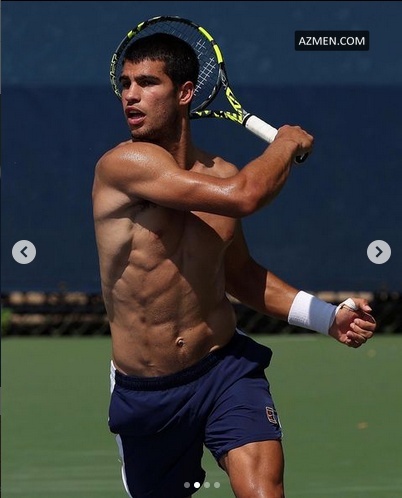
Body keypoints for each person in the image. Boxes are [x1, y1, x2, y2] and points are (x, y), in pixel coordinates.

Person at [92, 33, 376, 498]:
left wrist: (327, 317)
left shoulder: (221, 175)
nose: (131, 95)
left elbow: (240, 274)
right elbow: (246, 196)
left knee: (264, 491)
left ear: (185, 92)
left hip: (224, 369)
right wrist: (284, 143)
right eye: (125, 84)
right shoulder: (124, 165)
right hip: (149, 392)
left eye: (147, 82)